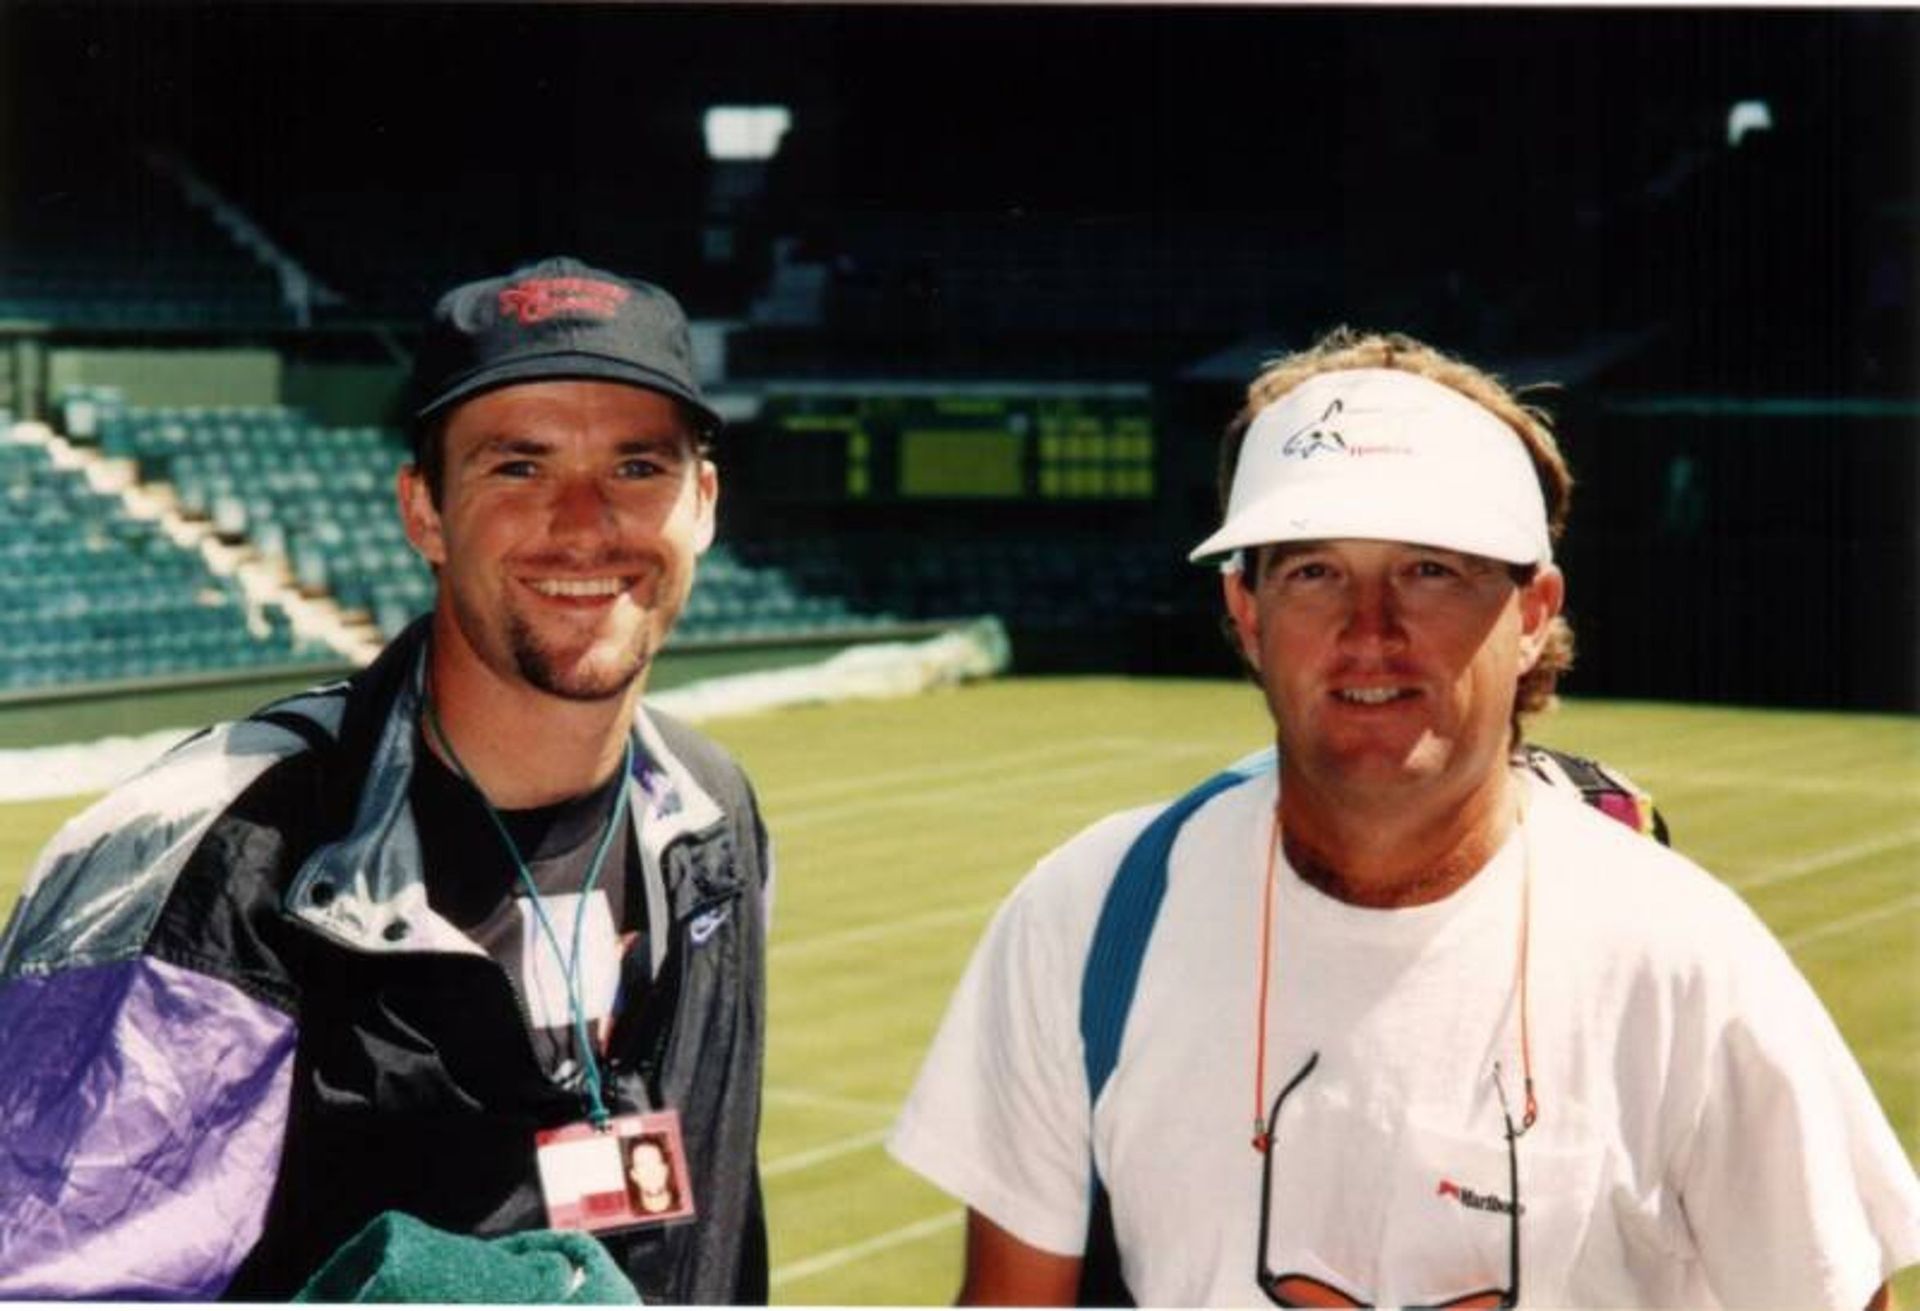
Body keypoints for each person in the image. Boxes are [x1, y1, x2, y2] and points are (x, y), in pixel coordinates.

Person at [888, 329, 1920, 1308]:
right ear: (1247, 615)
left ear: (1530, 614)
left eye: (1432, 571)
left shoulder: (1685, 960)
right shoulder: (1092, 915)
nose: (1368, 631)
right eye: (1313, 572)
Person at [0, 256, 772, 1303]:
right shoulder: (208, 861)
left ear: (705, 505)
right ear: (424, 512)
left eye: (639, 468)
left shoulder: (711, 818)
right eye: (520, 467)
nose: (587, 522)